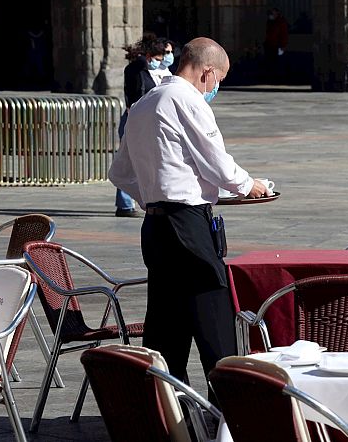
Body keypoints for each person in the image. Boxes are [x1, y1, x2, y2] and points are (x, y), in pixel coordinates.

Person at [108, 37, 269, 388]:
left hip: (155, 227)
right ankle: (229, 408)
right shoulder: (186, 99)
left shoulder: (143, 104)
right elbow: (217, 162)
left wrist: (151, 196)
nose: (215, 89)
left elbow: (119, 174)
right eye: (219, 82)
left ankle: (168, 410)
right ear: (207, 72)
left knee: (167, 326)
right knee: (215, 321)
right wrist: (249, 184)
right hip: (187, 226)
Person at [114, 35, 169, 218]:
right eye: (158, 58)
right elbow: (136, 96)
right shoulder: (137, 70)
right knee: (131, 160)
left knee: (137, 160)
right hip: (135, 119)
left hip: (142, 118)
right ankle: (125, 204)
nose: (160, 62)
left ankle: (128, 203)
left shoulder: (146, 69)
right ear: (149, 55)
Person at [264, 8, 288, 83]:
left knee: (278, 62)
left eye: (273, 13)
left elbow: (283, 34)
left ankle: (279, 78)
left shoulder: (280, 22)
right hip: (270, 45)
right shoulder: (270, 22)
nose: (271, 15)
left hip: (278, 46)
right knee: (271, 62)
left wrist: (283, 45)